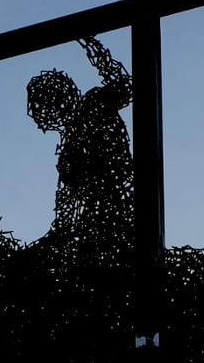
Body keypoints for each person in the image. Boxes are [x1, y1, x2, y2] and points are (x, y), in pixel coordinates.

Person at [26, 37, 133, 262]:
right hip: (98, 222)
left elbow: (125, 84)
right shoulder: (68, 155)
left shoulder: (95, 104)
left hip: (121, 208)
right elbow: (65, 212)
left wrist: (91, 45)